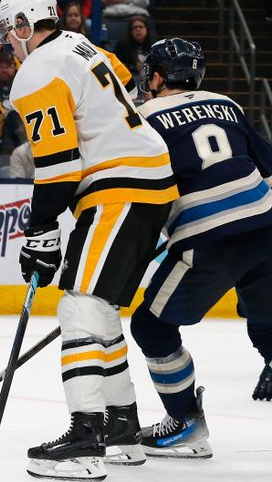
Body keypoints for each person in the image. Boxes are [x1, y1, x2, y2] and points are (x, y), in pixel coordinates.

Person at [0, 0, 178, 480]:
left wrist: (38, 231)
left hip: (121, 189)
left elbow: (57, 166)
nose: (8, 42)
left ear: (23, 24)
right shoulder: (82, 44)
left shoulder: (37, 70)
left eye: (9, 31)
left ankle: (85, 438)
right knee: (99, 309)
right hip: (145, 185)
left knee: (78, 305)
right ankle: (122, 430)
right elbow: (123, 82)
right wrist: (48, 231)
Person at [129, 38, 272, 458]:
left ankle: (186, 423)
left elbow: (142, 191)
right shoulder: (227, 104)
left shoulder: (143, 117)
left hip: (209, 239)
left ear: (156, 76)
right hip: (267, 226)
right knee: (266, 313)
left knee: (151, 327)